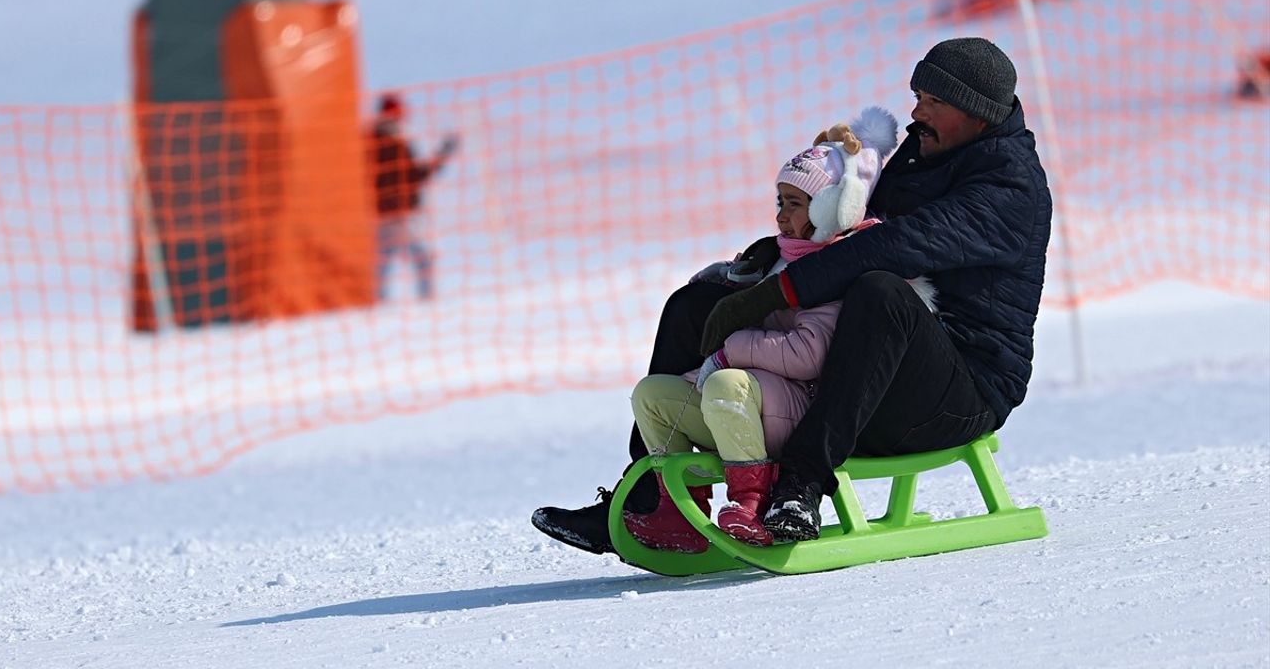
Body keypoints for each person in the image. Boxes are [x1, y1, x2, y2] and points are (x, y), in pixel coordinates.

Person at [532, 36, 1051, 553]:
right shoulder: (927, 148)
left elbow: (892, 246)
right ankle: (650, 499)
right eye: (917, 96)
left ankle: (799, 489)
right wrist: (781, 250)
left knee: (883, 293)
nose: (916, 113)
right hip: (863, 369)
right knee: (695, 306)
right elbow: (855, 223)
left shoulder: (1010, 187)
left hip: (957, 393)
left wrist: (776, 292)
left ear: (979, 115)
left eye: (934, 103)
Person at [625, 108, 909, 552]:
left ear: (831, 207)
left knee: (725, 381)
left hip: (801, 412)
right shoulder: (785, 255)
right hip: (750, 403)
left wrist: (729, 348)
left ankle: (752, 502)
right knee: (653, 395)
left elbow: (808, 353)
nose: (780, 217)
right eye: (780, 203)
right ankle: (679, 509)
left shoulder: (838, 264)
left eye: (794, 205)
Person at [369, 92, 459, 301]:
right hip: (400, 213)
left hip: (385, 213)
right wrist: (442, 156)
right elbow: (415, 176)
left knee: (383, 265)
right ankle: (427, 303)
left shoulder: (374, 140)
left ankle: (377, 306)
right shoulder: (391, 143)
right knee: (421, 258)